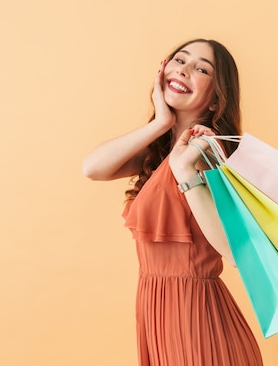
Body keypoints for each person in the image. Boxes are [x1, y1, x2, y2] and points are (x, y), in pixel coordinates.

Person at [83, 39, 263, 366]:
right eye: (179, 60)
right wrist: (160, 124)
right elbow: (92, 168)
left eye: (201, 68)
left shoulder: (208, 151)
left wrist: (185, 170)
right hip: (157, 310)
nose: (184, 69)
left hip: (194, 315)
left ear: (215, 99)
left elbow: (234, 252)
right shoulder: (163, 150)